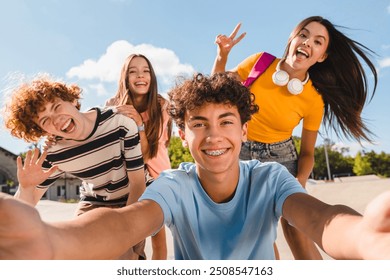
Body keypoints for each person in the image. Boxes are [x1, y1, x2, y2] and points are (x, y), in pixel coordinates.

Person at [1, 72, 390, 260]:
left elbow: (320, 219)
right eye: (199, 124)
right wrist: (53, 242)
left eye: (226, 122)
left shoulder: (270, 177)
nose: (213, 136)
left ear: (244, 130)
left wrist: (363, 237)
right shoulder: (175, 185)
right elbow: (125, 221)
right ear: (182, 135)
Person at [211, 16, 378, 260]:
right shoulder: (260, 62)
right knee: (254, 234)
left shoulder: (313, 99)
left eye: (318, 41)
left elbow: (308, 153)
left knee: (297, 228)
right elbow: (215, 91)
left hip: (282, 158)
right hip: (239, 154)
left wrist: (299, 181)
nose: (308, 42)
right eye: (303, 35)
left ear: (321, 56)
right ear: (292, 39)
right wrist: (222, 55)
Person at [2, 75, 147, 260]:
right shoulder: (54, 153)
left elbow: (138, 183)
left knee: (124, 257)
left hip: (131, 198)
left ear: (71, 100)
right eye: (45, 121)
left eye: (57, 106)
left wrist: (127, 232)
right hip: (94, 203)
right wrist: (26, 187)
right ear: (42, 131)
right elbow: (19, 213)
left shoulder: (120, 123)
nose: (57, 119)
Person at [105, 54, 172, 260]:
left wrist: (139, 125)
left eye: (145, 71)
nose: (140, 76)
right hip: (124, 179)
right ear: (125, 77)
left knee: (158, 240)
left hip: (156, 177)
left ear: (151, 76)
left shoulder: (161, 105)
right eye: (133, 71)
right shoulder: (113, 104)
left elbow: (147, 154)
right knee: (127, 240)